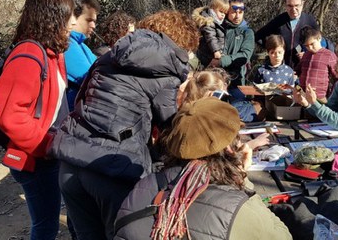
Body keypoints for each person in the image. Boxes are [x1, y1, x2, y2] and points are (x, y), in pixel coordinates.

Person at [49, 10, 200, 240]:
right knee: (119, 234)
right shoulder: (166, 71)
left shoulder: (110, 55)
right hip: (111, 169)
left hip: (71, 162)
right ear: (183, 43)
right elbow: (172, 129)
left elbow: (82, 98)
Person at [114, 97, 292, 240]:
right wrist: (243, 181)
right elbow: (282, 235)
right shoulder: (235, 207)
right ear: (228, 148)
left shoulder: (141, 187)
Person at [0, 0, 75, 240]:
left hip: (46, 155)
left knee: (49, 220)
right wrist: (47, 145)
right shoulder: (29, 54)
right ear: (51, 16)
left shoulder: (51, 53)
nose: (72, 21)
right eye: (68, 15)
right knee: (46, 225)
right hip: (35, 159)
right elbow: (7, 114)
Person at [255, 0, 334, 67]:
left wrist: (308, 53)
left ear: (302, 4)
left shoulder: (310, 20)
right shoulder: (279, 20)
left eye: (297, 5)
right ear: (285, 5)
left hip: (303, 69)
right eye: (290, 6)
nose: (293, 9)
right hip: (281, 69)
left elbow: (320, 44)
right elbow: (258, 36)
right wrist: (273, 49)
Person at [64, 0, 101, 111]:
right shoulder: (65, 45)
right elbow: (92, 79)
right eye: (89, 20)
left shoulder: (82, 46)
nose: (93, 26)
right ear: (72, 16)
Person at [210, 0, 255, 90]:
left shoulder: (247, 32)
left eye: (240, 12)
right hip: (214, 78)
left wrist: (221, 61)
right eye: (234, 12)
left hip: (236, 80)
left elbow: (245, 55)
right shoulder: (217, 27)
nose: (237, 16)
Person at [294, 26, 337, 102]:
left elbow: (337, 77)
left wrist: (332, 94)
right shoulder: (306, 55)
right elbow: (298, 70)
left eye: (312, 44)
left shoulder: (329, 55)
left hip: (320, 98)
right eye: (306, 46)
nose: (310, 48)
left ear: (319, 38)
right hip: (303, 96)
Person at [193, 0, 229, 68]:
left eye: (225, 13)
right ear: (213, 9)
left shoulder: (218, 22)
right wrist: (216, 50)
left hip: (211, 54)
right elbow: (211, 37)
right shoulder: (208, 22)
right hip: (207, 54)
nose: (223, 15)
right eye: (221, 11)